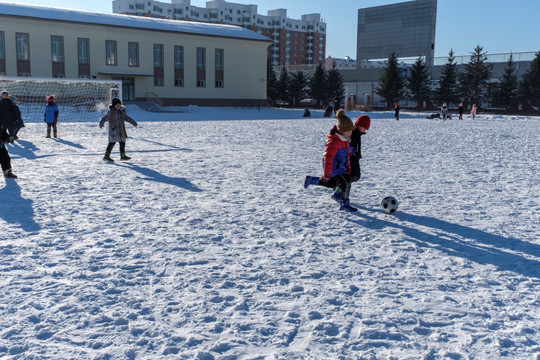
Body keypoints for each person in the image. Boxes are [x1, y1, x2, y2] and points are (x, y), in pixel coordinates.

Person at [304, 109, 357, 212]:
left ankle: (312, 180)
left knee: (332, 183)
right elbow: (328, 158)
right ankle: (344, 202)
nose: (351, 132)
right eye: (349, 131)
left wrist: (351, 156)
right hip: (333, 167)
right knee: (346, 183)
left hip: (339, 167)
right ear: (342, 130)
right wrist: (327, 174)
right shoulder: (333, 142)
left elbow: (346, 151)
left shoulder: (344, 139)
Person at [99, 97, 138, 162]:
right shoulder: (110, 112)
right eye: (117, 105)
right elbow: (104, 118)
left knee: (122, 143)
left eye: (119, 105)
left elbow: (127, 118)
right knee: (111, 143)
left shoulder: (121, 112)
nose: (118, 106)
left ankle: (123, 155)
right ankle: (106, 156)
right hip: (113, 131)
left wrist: (133, 122)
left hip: (121, 130)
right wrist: (101, 123)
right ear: (114, 105)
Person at [348, 114, 370, 184]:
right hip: (350, 158)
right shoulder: (352, 133)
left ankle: (343, 191)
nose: (365, 130)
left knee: (356, 176)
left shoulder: (357, 133)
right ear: (360, 125)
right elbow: (347, 145)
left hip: (355, 157)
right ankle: (339, 192)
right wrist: (354, 152)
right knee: (351, 176)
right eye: (364, 128)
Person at [0, 91, 17, 178]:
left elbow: (2, 132)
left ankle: (7, 173)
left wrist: (7, 138)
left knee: (6, 158)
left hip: (1, 146)